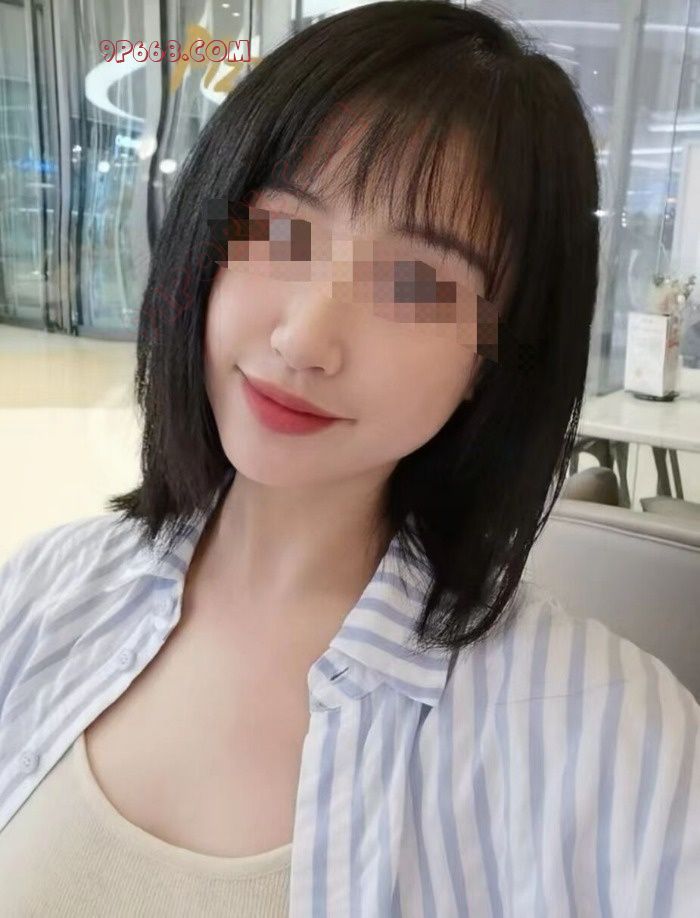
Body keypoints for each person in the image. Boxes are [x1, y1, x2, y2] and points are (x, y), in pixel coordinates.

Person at [0, 2, 698, 915]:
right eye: (281, 234)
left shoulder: (608, 738)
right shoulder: (42, 592)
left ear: (496, 360)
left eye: (414, 284)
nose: (304, 338)